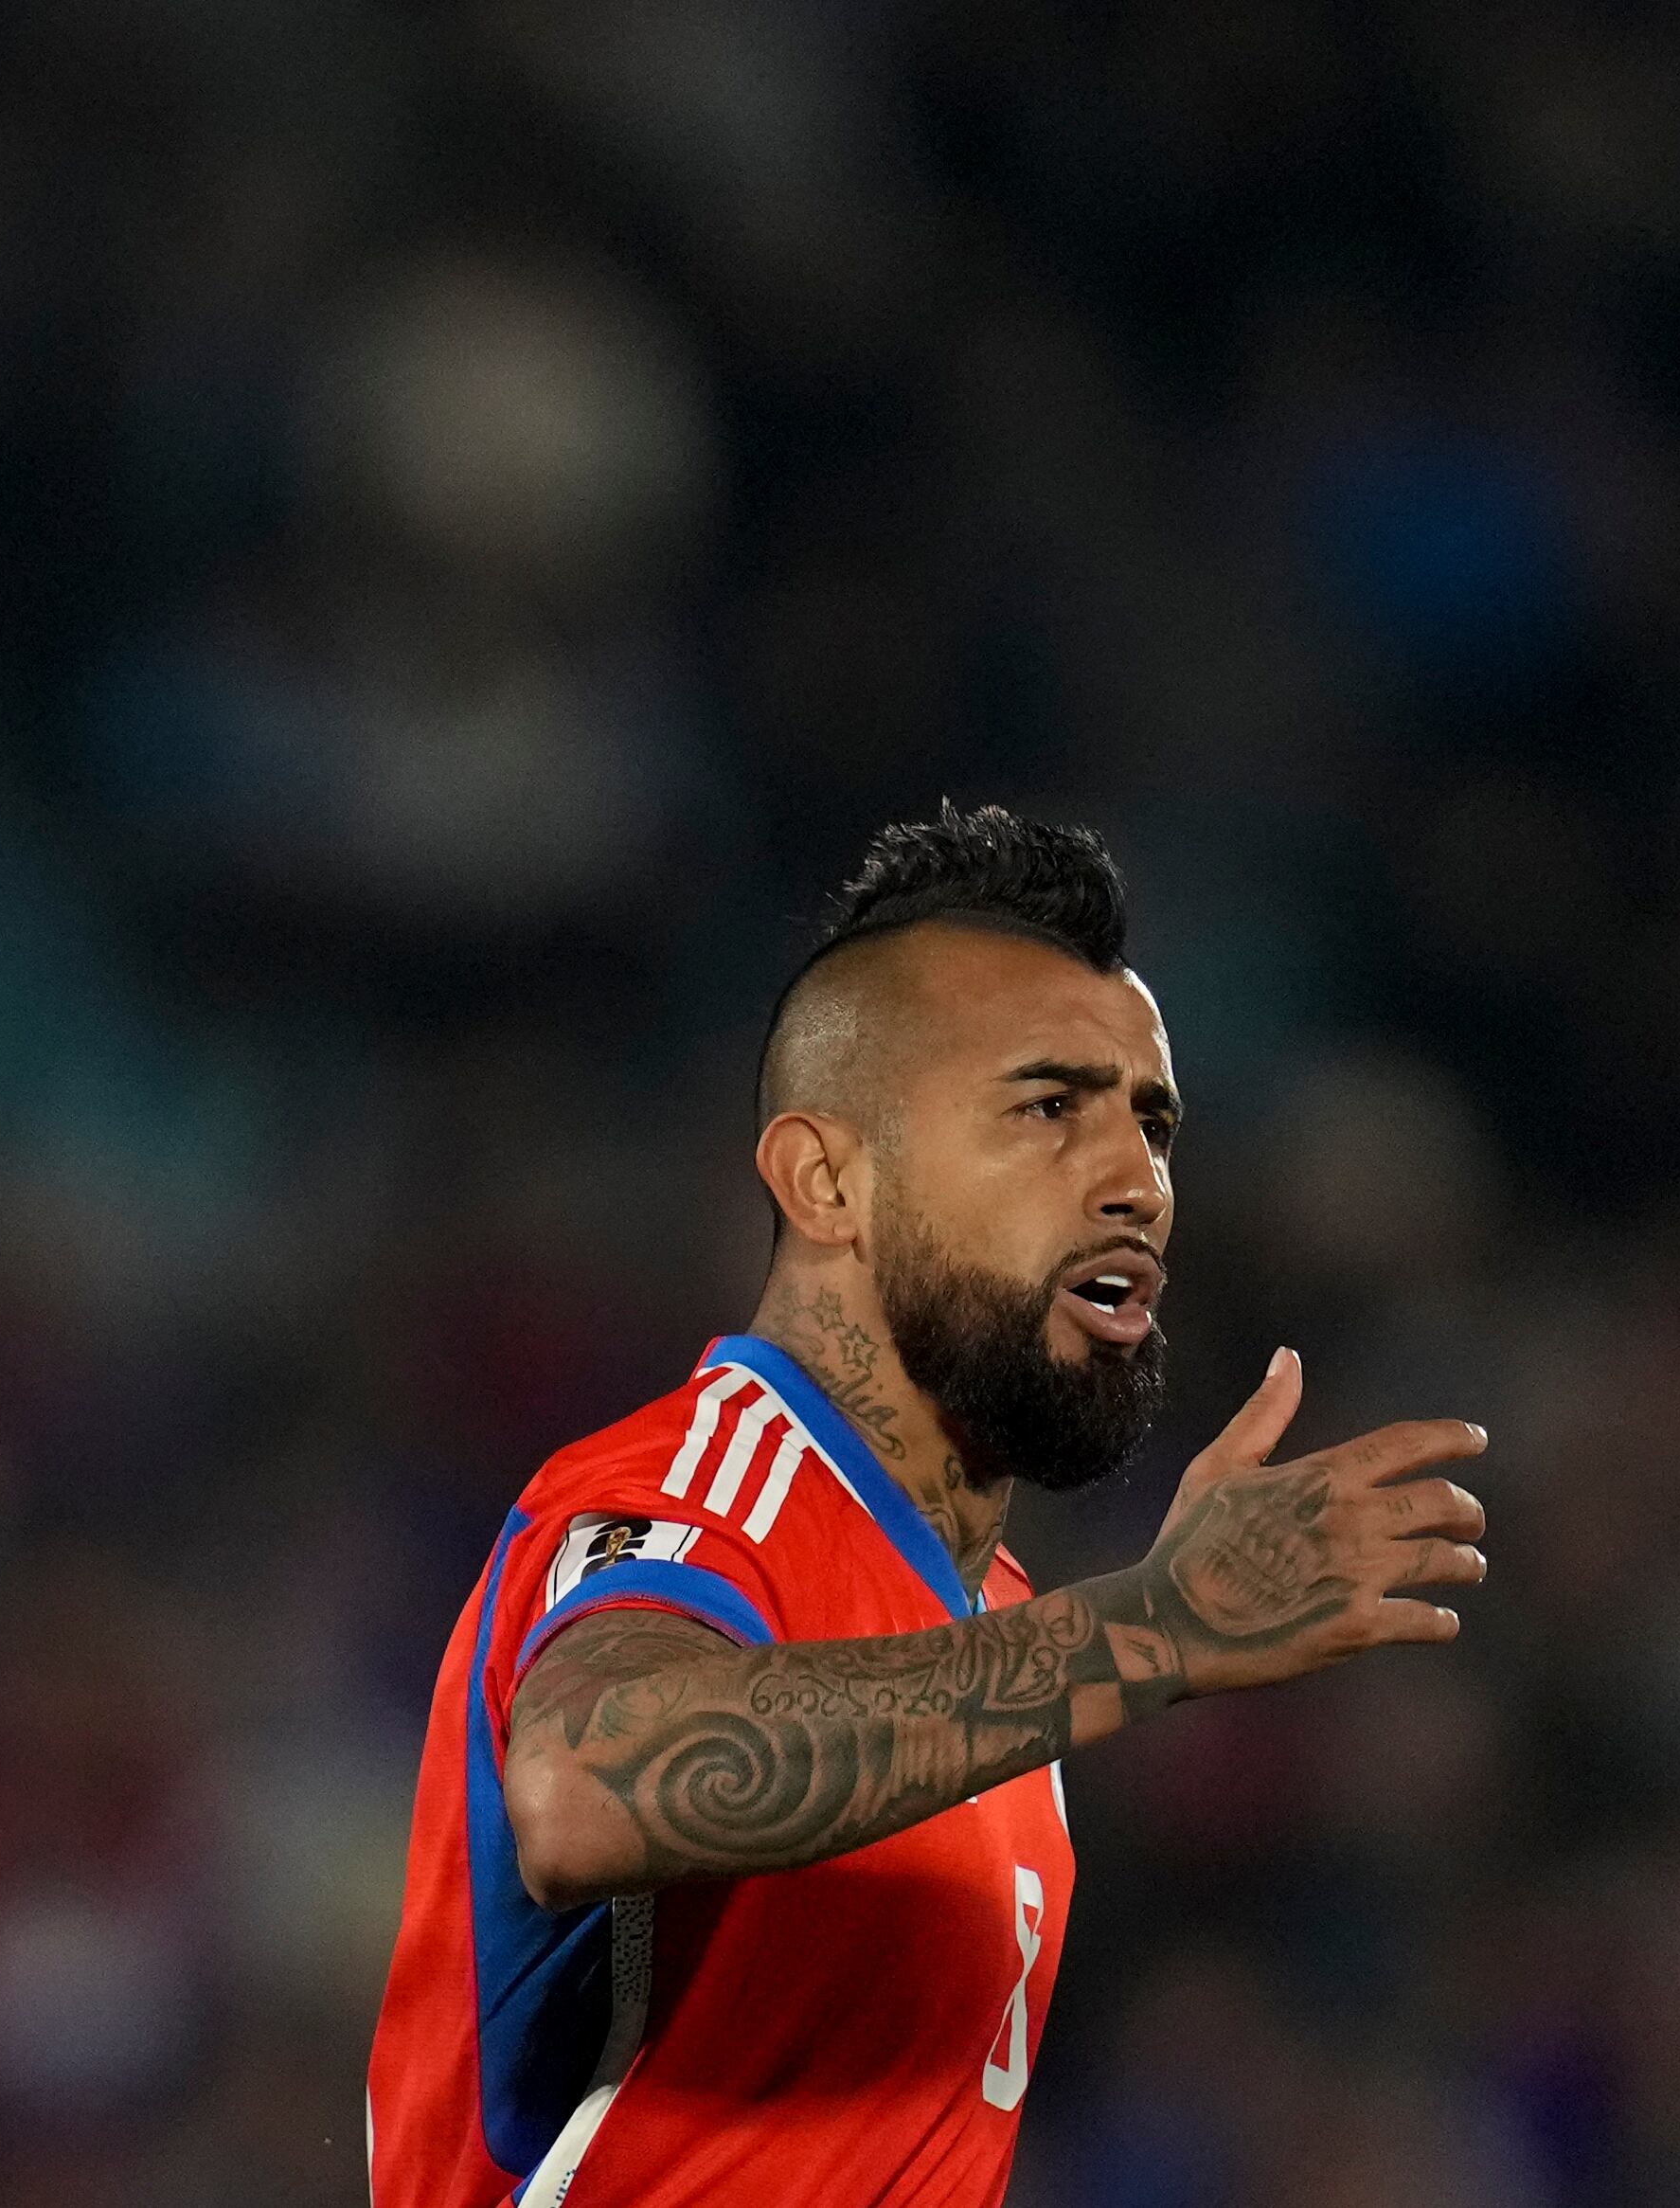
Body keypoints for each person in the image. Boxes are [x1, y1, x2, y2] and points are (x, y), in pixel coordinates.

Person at [365, 804, 1492, 2207]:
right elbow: (588, 1781)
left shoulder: (992, 1638)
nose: (1138, 1182)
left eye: (1154, 1124)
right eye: (1047, 1109)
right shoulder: (709, 1490)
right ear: (826, 1180)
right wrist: (1153, 1630)